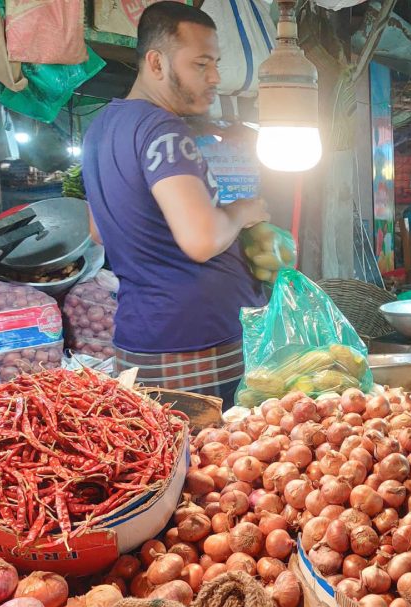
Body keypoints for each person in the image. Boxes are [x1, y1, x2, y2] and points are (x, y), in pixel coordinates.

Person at [81, 1, 270, 408]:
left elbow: (98, 231)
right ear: (156, 62)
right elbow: (201, 241)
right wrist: (241, 211)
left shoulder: (100, 128)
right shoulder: (163, 129)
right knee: (215, 465)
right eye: (201, 64)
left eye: (215, 63)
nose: (215, 77)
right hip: (197, 345)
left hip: (144, 340)